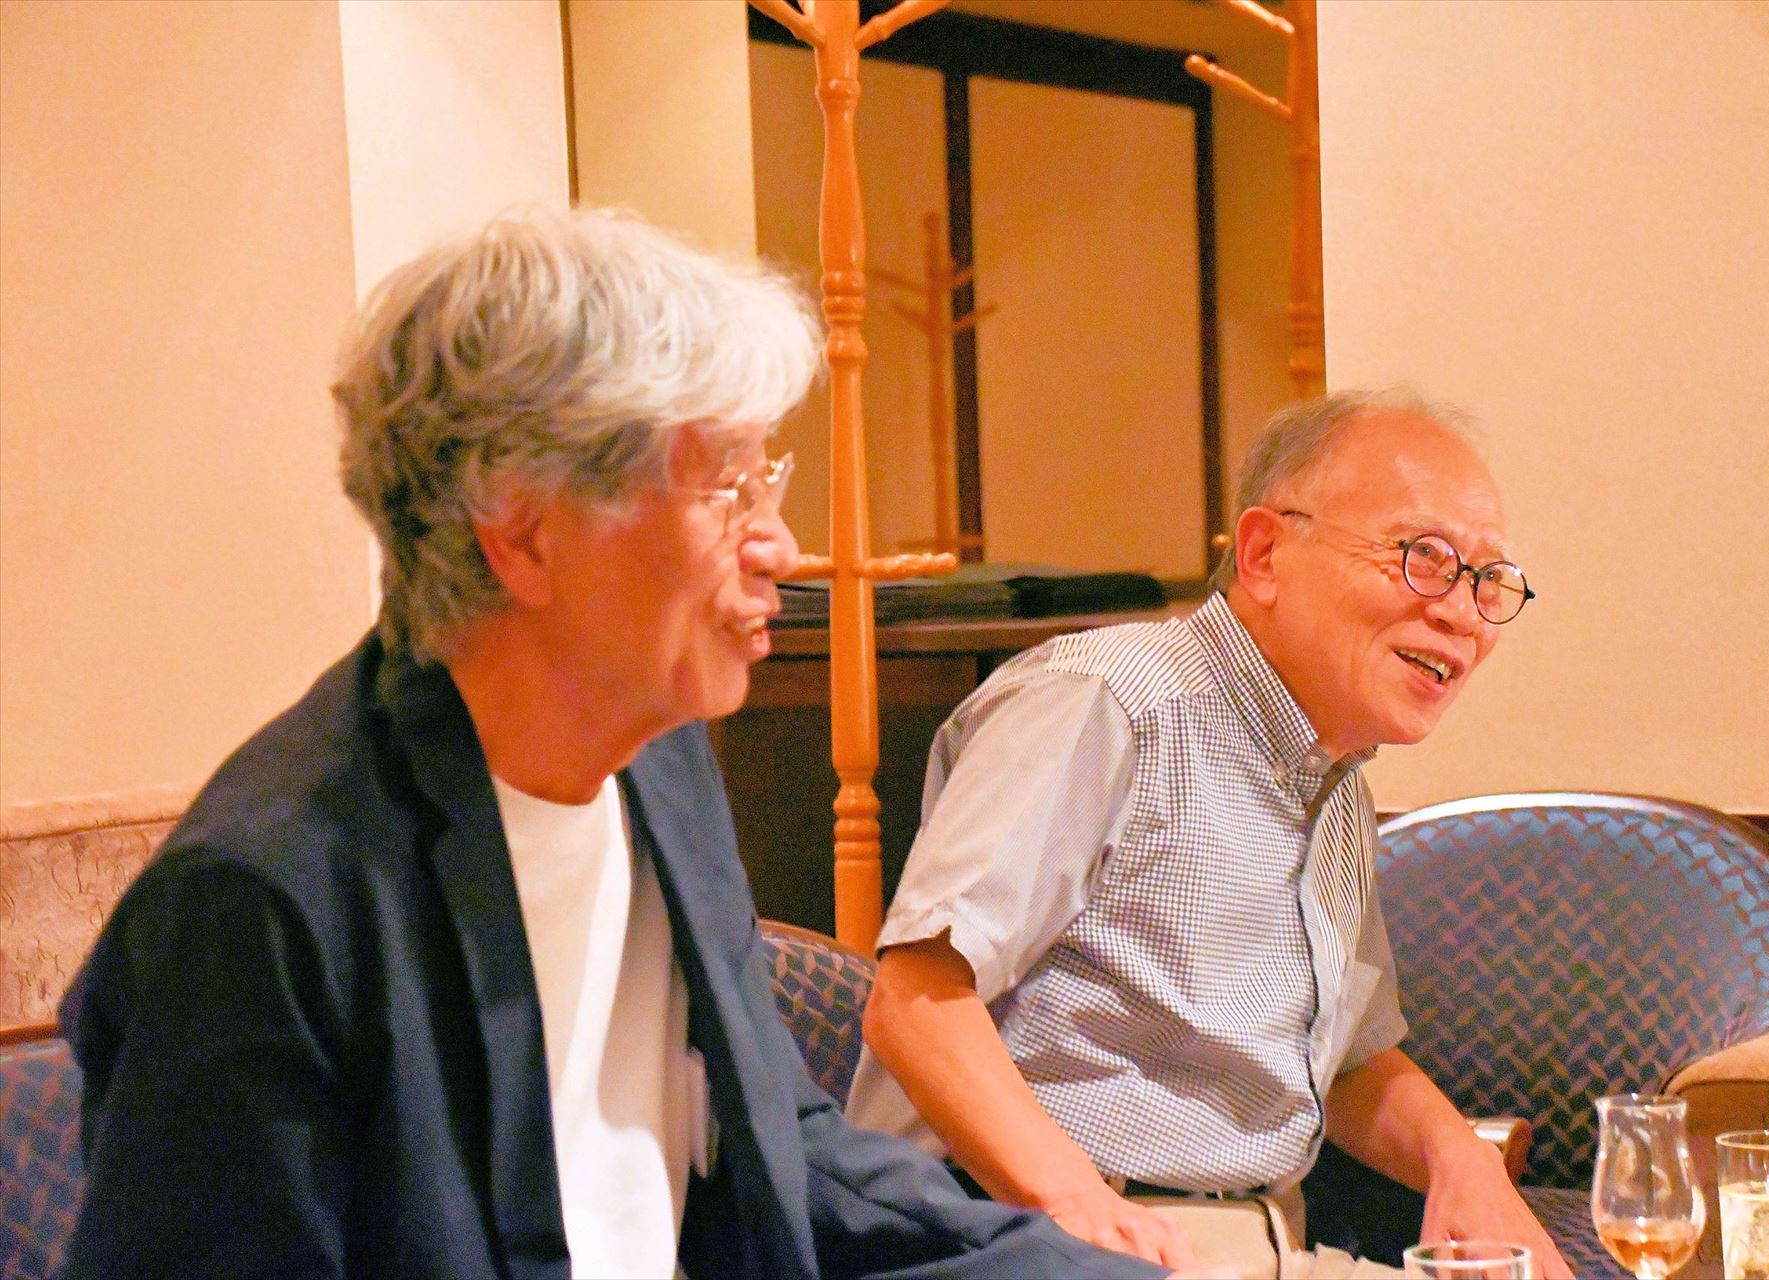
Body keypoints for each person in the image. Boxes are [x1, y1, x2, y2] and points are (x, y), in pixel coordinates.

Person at [58, 208, 1174, 1280]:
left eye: (767, 481)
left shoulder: (656, 762)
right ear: (524, 535)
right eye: (725, 487)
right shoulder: (262, 904)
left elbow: (776, 1154)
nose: (780, 546)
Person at [846, 391, 1573, 1278]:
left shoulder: (1333, 782)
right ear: (1264, 554)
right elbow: (917, 1002)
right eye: (1423, 558)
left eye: (1487, 581)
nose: (1462, 615)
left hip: (1264, 1246)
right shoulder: (1104, 703)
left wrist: (1461, 1159)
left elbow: (1347, 1066)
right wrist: (1076, 1206)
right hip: (1030, 1239)